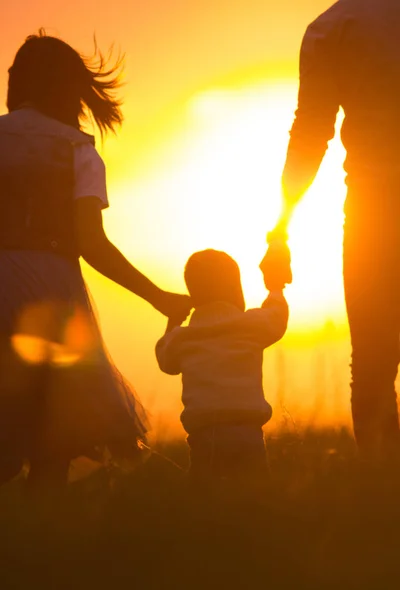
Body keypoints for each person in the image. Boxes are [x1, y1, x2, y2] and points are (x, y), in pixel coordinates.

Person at [0, 31, 192, 490]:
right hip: (51, 293)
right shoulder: (77, 150)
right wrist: (157, 296)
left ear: (19, 81)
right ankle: (45, 542)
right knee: (53, 436)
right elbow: (92, 244)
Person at [268, 0, 400, 460]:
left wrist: (281, 228)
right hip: (371, 207)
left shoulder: (332, 29)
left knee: (373, 359)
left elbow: (310, 131)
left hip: (373, 210)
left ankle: (383, 491)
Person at [155, 248, 289, 482]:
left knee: (206, 496)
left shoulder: (183, 337)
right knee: (255, 493)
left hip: (204, 436)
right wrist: (275, 288)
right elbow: (277, 315)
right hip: (248, 432)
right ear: (236, 291)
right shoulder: (250, 326)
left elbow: (165, 360)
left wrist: (173, 320)